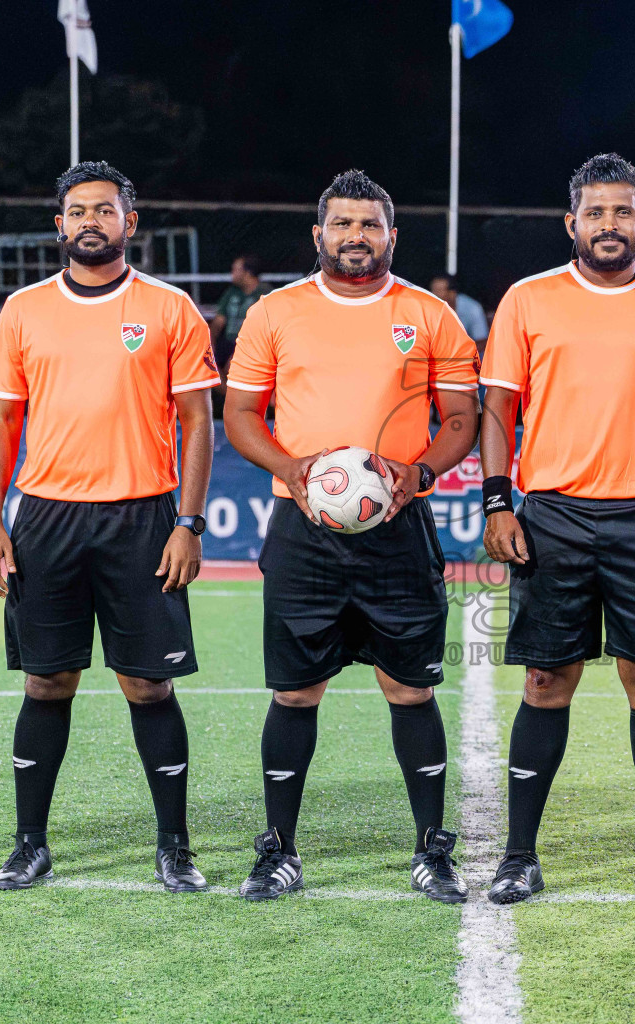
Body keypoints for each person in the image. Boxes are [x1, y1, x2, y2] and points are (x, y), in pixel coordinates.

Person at [480, 153, 635, 907]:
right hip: (552, 515)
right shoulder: (527, 301)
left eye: (623, 212)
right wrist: (498, 502)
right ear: (572, 223)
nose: (610, 225)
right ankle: (520, 857)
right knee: (544, 681)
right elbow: (498, 408)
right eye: (596, 212)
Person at [223, 170, 480, 903]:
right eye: (343, 224)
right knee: (295, 694)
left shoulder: (431, 314)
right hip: (302, 530)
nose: (356, 237)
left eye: (370, 225)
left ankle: (432, 850)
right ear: (319, 234)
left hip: (400, 528)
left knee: (410, 690)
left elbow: (460, 418)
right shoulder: (275, 313)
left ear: (392, 236)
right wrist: (292, 469)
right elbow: (242, 414)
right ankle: (279, 849)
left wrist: (419, 473)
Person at [0, 161, 220, 893]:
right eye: (78, 211)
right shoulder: (24, 309)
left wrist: (190, 522)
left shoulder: (172, 308)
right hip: (45, 516)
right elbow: (1, 423)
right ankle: (29, 844)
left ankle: (174, 847)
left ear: (129, 223)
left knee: (148, 686)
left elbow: (198, 421)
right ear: (60, 225)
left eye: (105, 211)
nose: (91, 221)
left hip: (144, 517)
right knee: (48, 682)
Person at [210, 255, 270, 379]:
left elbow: (268, 328)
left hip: (253, 344)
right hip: (229, 343)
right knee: (204, 367)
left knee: (233, 366)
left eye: (235, 270)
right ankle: (227, 395)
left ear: (247, 273)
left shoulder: (265, 293)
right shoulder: (231, 292)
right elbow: (218, 323)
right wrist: (209, 346)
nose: (232, 274)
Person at [429, 273, 490, 344]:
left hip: (468, 353)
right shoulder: (428, 308)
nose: (433, 294)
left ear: (452, 293)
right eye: (432, 290)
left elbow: (481, 341)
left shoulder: (472, 308)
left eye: (438, 291)